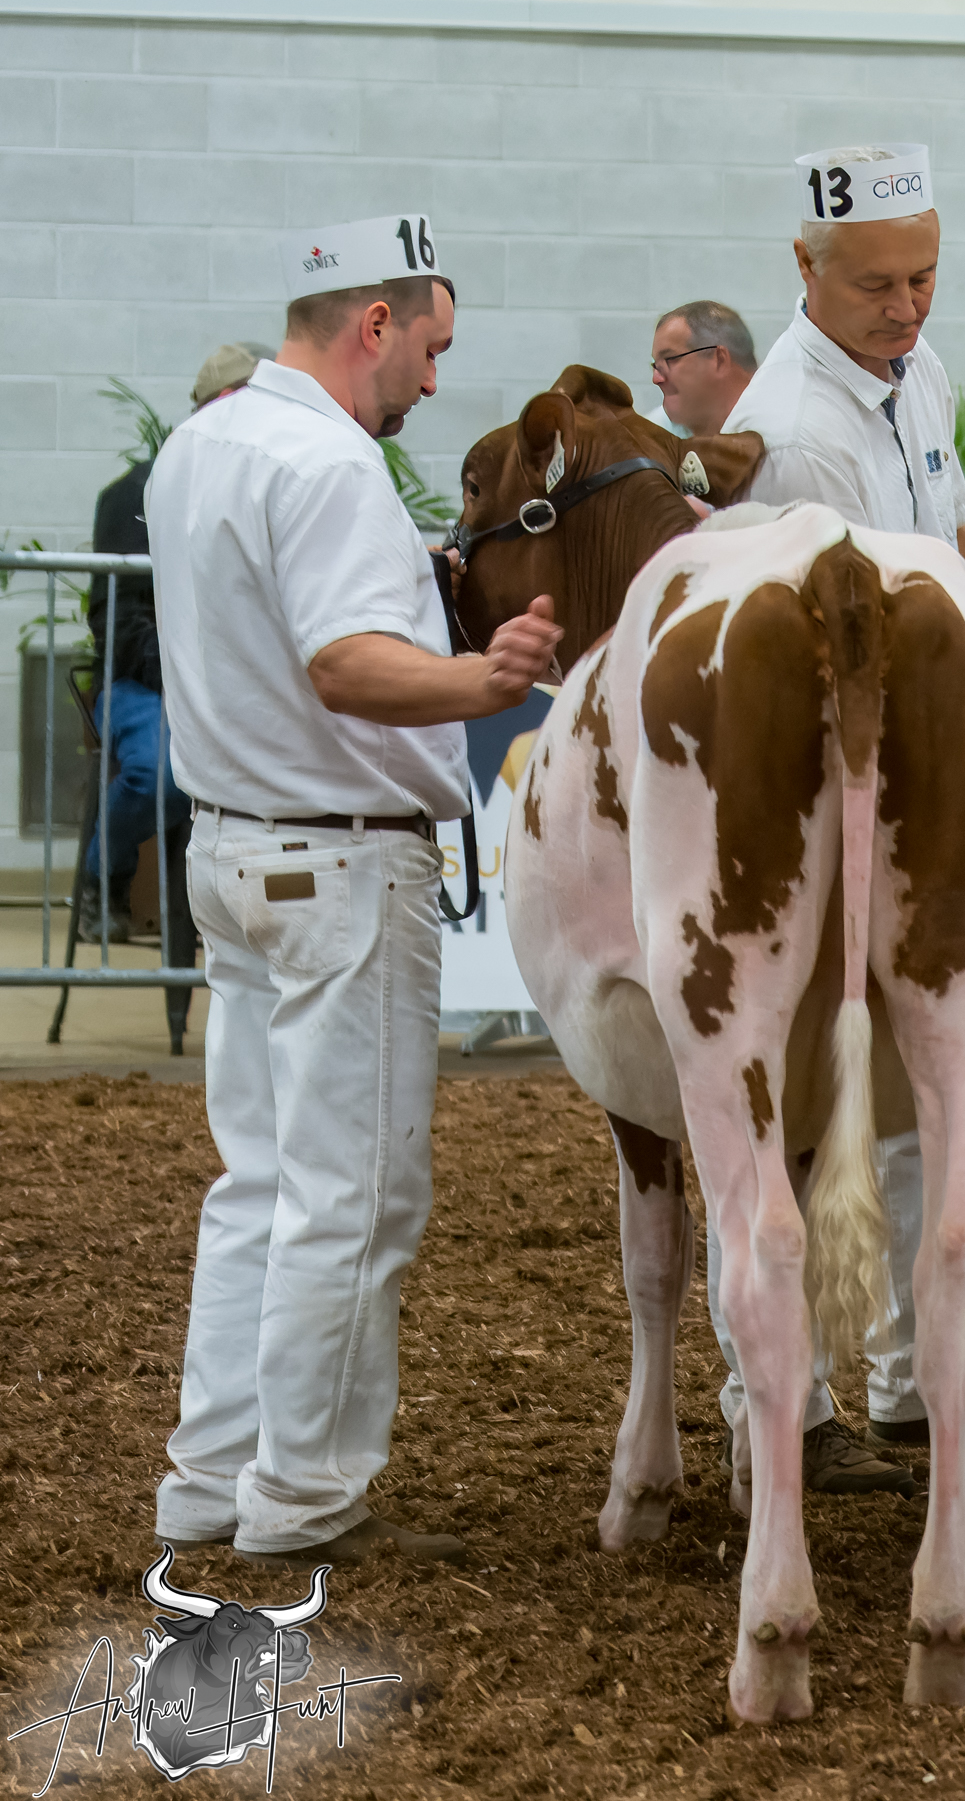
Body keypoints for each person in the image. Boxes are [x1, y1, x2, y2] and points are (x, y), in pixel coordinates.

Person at [714, 145, 965, 1491]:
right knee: (799, 1104)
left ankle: (922, 1377)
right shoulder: (794, 432)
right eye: (878, 285)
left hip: (929, 780)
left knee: (922, 1098)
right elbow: (855, 628)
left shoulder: (912, 373)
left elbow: (956, 546)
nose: (906, 306)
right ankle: (780, 1405)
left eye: (925, 277)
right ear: (805, 267)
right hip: (833, 802)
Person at [151, 216, 562, 1565]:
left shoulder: (202, 441)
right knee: (354, 1193)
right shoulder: (330, 460)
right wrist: (484, 678)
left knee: (259, 1184)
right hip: (338, 856)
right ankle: (304, 1497)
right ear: (371, 323)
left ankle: (211, 1479)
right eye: (430, 348)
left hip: (235, 844)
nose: (433, 380)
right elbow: (342, 663)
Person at [71, 345, 260, 948]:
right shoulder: (136, 493)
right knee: (163, 774)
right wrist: (192, 670)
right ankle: (104, 875)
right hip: (144, 682)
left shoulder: (261, 487)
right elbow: (118, 620)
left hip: (233, 681)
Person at [649, 300, 758, 438]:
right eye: (655, 366)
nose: (656, 379)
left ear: (719, 360)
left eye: (670, 359)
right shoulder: (655, 433)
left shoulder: (777, 434)